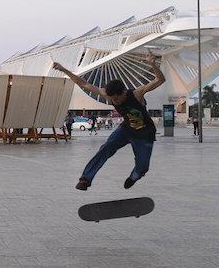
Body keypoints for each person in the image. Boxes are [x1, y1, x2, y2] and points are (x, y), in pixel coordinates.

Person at [52, 52, 165, 191]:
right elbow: (84, 83)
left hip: (144, 133)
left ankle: (135, 176)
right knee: (105, 148)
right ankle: (85, 179)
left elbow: (160, 80)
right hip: (126, 129)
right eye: (112, 99)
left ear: (123, 92)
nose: (114, 102)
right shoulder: (107, 94)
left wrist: (153, 65)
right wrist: (63, 69)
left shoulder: (137, 93)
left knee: (143, 167)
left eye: (116, 99)